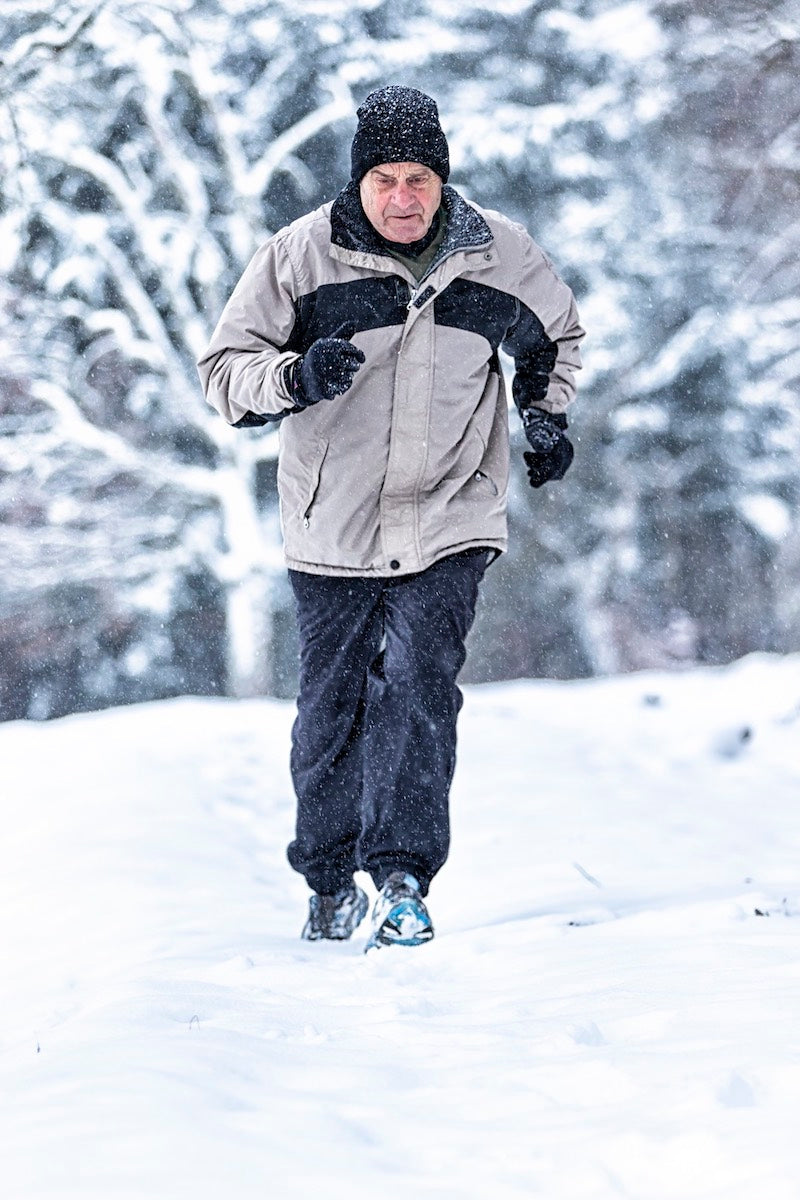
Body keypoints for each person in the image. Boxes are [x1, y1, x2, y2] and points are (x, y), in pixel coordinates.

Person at [197, 85, 584, 950]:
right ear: (358, 183)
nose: (404, 197)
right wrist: (295, 377)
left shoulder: (499, 256)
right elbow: (226, 371)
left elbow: (554, 338)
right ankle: (331, 880)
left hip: (451, 515)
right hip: (333, 525)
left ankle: (404, 874)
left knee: (417, 690)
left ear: (442, 181)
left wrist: (545, 412)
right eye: (385, 179)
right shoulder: (299, 259)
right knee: (331, 713)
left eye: (419, 179)